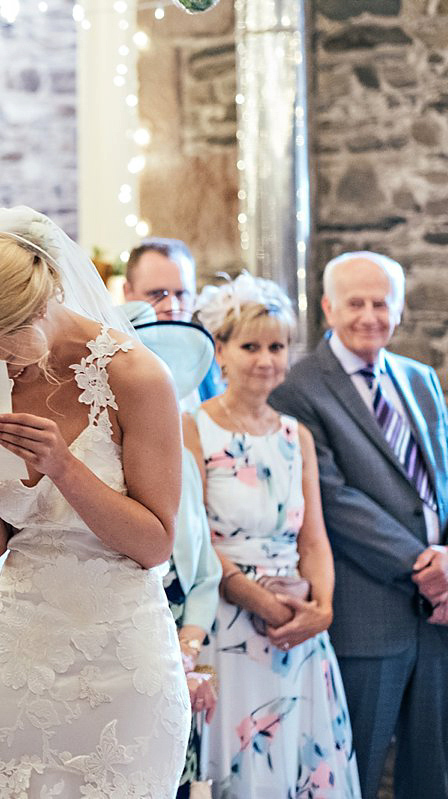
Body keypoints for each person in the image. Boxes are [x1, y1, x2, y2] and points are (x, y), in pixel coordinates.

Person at [0, 207, 189, 798]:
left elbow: (153, 544)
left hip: (123, 660)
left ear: (38, 307)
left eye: (1, 351)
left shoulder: (137, 378)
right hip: (22, 658)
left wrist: (63, 467)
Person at [269, 252, 448, 799]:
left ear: (398, 309)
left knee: (433, 776)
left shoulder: (418, 378)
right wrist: (424, 564)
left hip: (439, 616)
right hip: (367, 616)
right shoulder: (297, 389)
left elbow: (441, 476)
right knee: (356, 771)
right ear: (327, 307)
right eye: (355, 303)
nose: (369, 315)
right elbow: (331, 498)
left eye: (381, 303)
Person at [188, 274, 359, 797]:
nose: (266, 359)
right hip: (229, 621)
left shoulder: (295, 435)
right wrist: (263, 603)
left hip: (299, 633)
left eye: (277, 347)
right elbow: (197, 544)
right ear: (220, 350)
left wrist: (321, 609)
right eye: (251, 346)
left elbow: (314, 541)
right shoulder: (192, 428)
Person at [123, 301, 223, 798]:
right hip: (125, 654)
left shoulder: (180, 457)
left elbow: (206, 573)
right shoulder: (99, 464)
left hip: (181, 648)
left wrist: (188, 654)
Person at [125, 238, 222, 403]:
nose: (172, 307)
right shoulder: (115, 361)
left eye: (181, 294)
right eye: (156, 294)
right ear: (128, 292)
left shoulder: (210, 356)